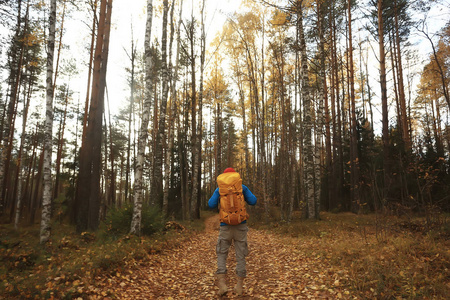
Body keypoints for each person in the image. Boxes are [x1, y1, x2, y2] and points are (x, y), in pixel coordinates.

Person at [208, 167, 257, 296]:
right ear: (235, 176)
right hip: (241, 225)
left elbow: (211, 204)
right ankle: (239, 286)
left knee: (222, 254)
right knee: (240, 255)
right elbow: (253, 201)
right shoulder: (242, 188)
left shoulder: (220, 189)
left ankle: (222, 285)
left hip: (225, 226)